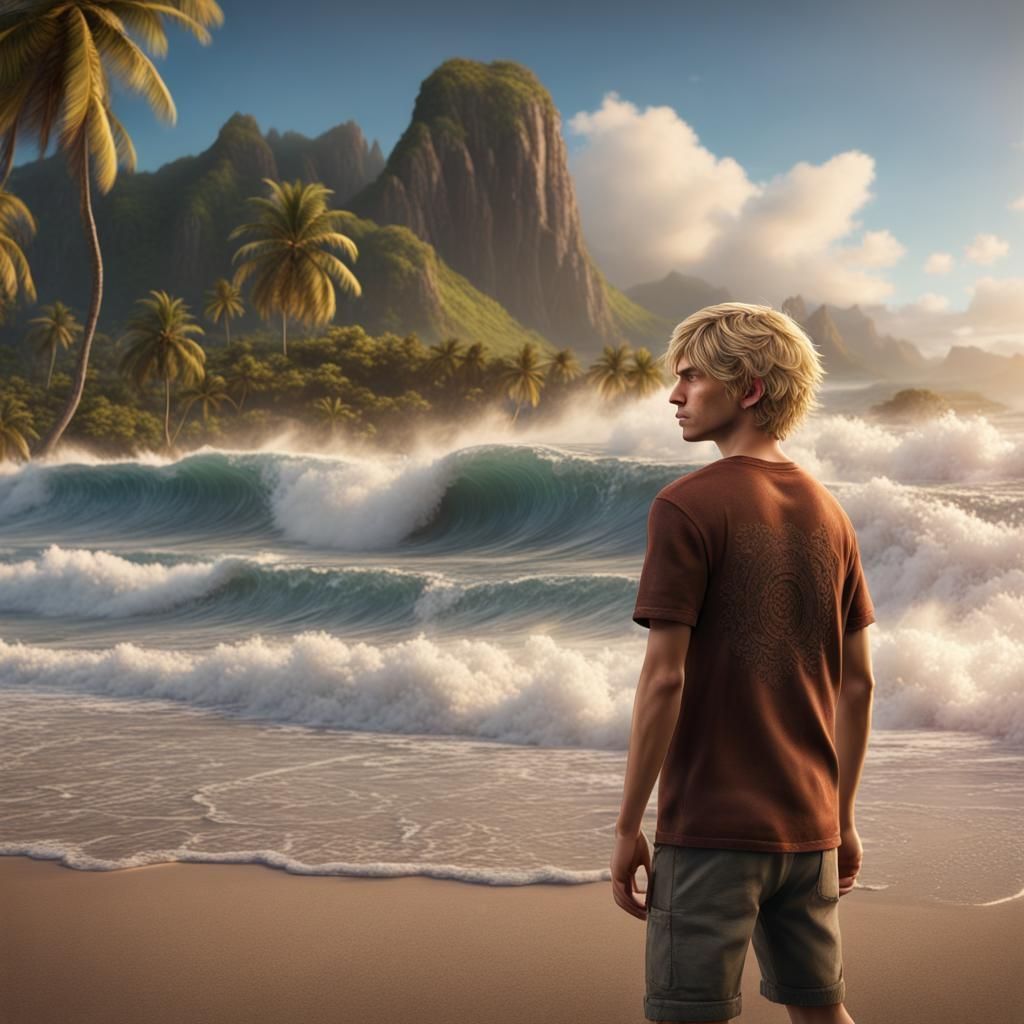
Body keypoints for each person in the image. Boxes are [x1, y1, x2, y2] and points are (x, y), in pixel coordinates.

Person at [611, 302, 876, 1024]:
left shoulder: (685, 507)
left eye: (692, 378)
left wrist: (627, 824)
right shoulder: (832, 515)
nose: (674, 395)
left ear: (750, 389)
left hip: (712, 834)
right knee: (824, 1012)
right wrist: (843, 820)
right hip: (811, 828)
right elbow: (858, 686)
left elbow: (664, 678)